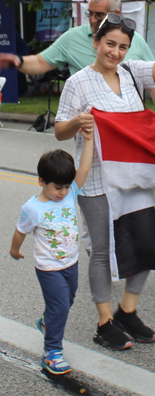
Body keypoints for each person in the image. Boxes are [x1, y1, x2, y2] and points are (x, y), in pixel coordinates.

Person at [54, 0, 155, 350]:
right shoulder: (79, 83)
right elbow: (59, 131)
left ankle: (128, 311)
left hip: (135, 177)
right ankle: (104, 322)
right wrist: (77, 122)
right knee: (102, 250)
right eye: (110, 44)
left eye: (123, 47)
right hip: (95, 180)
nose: (115, 52)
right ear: (96, 42)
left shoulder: (132, 72)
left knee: (145, 243)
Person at [0, 0, 155, 113]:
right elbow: (40, 62)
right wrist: (16, 60)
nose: (93, 20)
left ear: (117, 13)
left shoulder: (135, 40)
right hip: (91, 132)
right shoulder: (72, 38)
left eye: (100, 15)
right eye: (90, 13)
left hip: (130, 129)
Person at [10, 139, 94, 375]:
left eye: (67, 186)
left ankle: (48, 322)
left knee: (66, 302)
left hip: (71, 263)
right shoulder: (33, 208)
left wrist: (89, 140)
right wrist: (15, 250)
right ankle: (52, 352)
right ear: (41, 181)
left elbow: (84, 168)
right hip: (48, 268)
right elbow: (20, 231)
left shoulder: (69, 195)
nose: (64, 192)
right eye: (58, 187)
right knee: (60, 307)